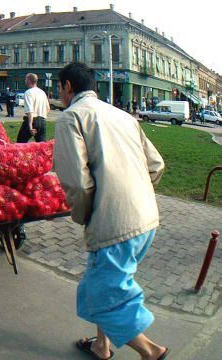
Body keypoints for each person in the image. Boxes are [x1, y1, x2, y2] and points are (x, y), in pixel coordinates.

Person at [54, 62, 168, 360]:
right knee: (109, 286)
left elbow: (78, 185)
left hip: (114, 225)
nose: (60, 94)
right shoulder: (123, 115)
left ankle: (151, 351)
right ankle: (101, 346)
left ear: (67, 87)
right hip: (146, 219)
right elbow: (156, 165)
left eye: (59, 88)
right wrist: (134, 192)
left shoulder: (71, 118)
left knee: (103, 295)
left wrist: (85, 216)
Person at [16, 73, 50, 143]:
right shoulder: (42, 92)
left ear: (29, 80)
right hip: (42, 120)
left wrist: (30, 126)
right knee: (42, 145)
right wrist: (42, 119)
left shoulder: (28, 92)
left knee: (20, 142)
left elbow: (30, 111)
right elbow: (48, 108)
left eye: (26, 79)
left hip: (33, 120)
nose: (25, 80)